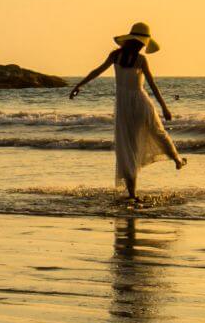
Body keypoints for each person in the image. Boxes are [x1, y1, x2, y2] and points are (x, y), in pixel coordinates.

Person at [70, 22, 188, 203]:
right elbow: (152, 85)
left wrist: (79, 85)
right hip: (140, 102)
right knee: (158, 132)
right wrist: (164, 107)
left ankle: (133, 194)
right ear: (142, 42)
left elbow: (97, 71)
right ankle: (177, 160)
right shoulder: (141, 60)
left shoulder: (115, 56)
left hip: (123, 106)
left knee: (127, 147)